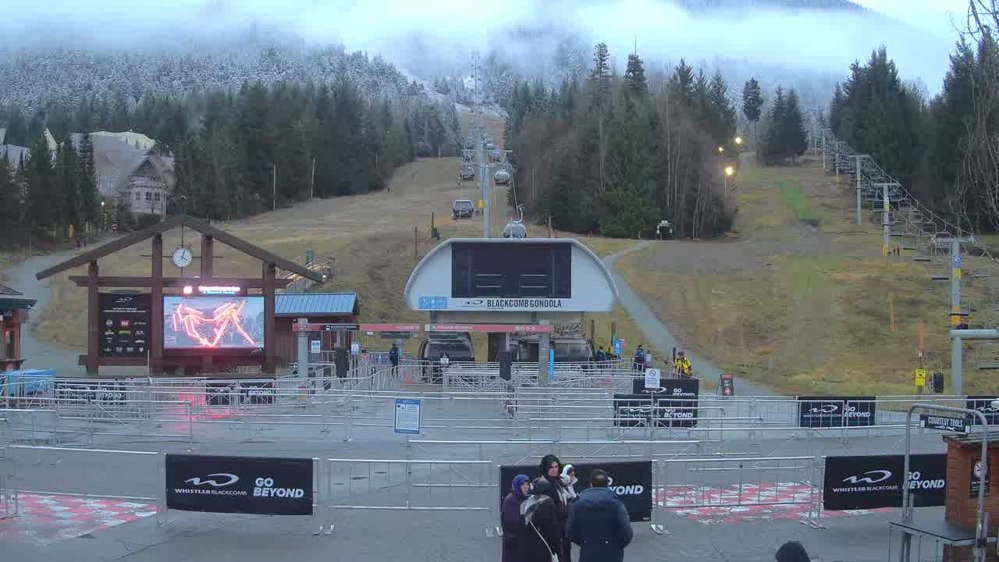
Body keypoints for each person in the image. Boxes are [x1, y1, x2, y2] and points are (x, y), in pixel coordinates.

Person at [567, 469, 633, 562]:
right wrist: (616, 546)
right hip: (613, 555)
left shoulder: (577, 506)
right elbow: (627, 533)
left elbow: (570, 531)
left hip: (587, 554)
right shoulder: (617, 505)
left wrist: (585, 542)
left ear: (591, 484)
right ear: (607, 484)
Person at [539, 454, 572, 561]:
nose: (554, 470)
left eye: (556, 467)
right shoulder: (543, 485)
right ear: (545, 468)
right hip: (551, 532)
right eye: (551, 467)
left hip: (564, 531)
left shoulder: (560, 483)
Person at [522, 477, 562, 562]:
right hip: (545, 547)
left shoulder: (527, 504)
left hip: (529, 548)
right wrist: (557, 548)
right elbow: (553, 529)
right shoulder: (548, 503)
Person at [501, 474, 531, 562]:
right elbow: (510, 524)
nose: (526, 487)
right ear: (517, 485)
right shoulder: (511, 500)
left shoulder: (525, 499)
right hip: (513, 545)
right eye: (523, 485)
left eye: (527, 484)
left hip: (523, 544)